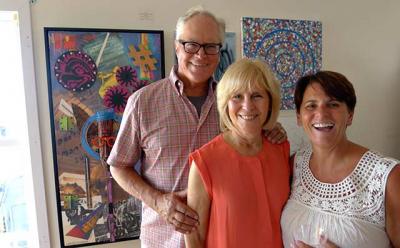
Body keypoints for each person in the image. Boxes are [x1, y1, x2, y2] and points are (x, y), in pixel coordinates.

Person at [107, 7, 287, 248]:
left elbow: (251, 143)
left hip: (218, 236)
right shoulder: (143, 102)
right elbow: (119, 166)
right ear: (177, 46)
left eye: (211, 46)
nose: (201, 55)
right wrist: (159, 201)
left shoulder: (232, 102)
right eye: (191, 44)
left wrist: (273, 129)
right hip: (163, 237)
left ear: (219, 51)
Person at [280, 71, 400, 248]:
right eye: (311, 106)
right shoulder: (294, 164)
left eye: (333, 104)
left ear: (350, 115)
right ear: (299, 117)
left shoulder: (388, 177)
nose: (321, 114)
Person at [184, 58, 291, 248]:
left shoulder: (281, 149)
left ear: (270, 102)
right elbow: (195, 239)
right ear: (225, 104)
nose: (248, 106)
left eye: (257, 95)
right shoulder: (204, 162)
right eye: (237, 97)